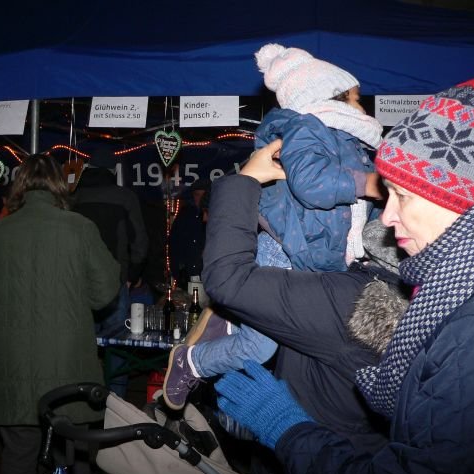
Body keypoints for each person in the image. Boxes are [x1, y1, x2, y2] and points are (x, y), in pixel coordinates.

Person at [214, 77, 474, 474]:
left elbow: (227, 280)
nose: (388, 217)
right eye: (385, 194)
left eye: (404, 195)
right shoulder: (442, 292)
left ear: (461, 199)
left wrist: (288, 429)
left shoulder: (464, 333)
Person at [163, 42, 384, 411]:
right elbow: (311, 185)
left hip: (316, 257)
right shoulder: (304, 128)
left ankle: (231, 318)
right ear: (329, 96)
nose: (363, 107)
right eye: (357, 98)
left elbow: (355, 217)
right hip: (283, 250)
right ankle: (194, 362)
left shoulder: (349, 142)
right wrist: (370, 184)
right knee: (260, 347)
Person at [0, 153, 120, 474]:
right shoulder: (80, 228)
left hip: (12, 360)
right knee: (76, 452)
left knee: (18, 452)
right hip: (66, 361)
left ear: (19, 186)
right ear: (59, 185)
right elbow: (104, 292)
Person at [72, 145, 149, 397]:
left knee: (82, 343)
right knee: (117, 344)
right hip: (115, 281)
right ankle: (116, 402)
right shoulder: (124, 197)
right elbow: (140, 241)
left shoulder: (73, 198)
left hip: (77, 282)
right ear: (112, 170)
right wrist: (132, 275)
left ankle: (83, 395)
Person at [169, 178, 210, 288]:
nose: (200, 198)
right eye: (197, 195)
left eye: (203, 195)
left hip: (209, 277)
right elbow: (174, 243)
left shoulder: (217, 215)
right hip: (186, 277)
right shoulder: (184, 215)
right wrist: (176, 272)